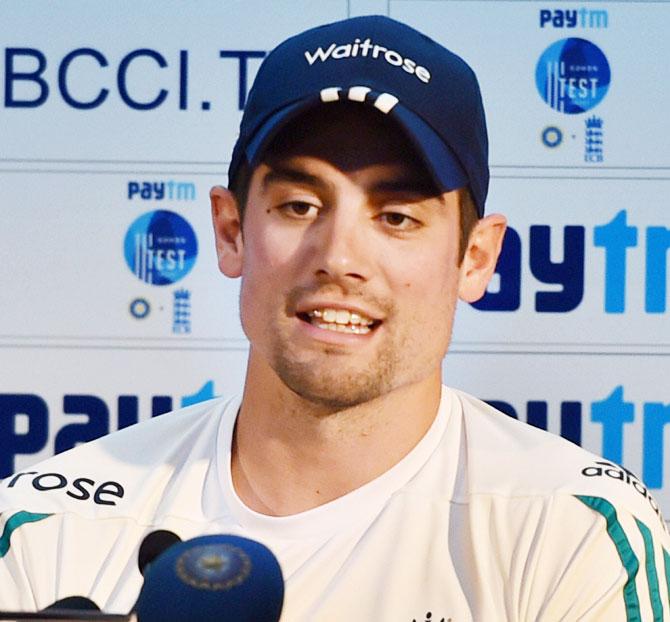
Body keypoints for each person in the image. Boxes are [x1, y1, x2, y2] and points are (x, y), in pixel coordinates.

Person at [1, 14, 668, 621]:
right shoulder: (45, 527)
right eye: (299, 206)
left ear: (476, 257)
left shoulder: (572, 532)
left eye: (396, 216)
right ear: (231, 231)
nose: (339, 257)